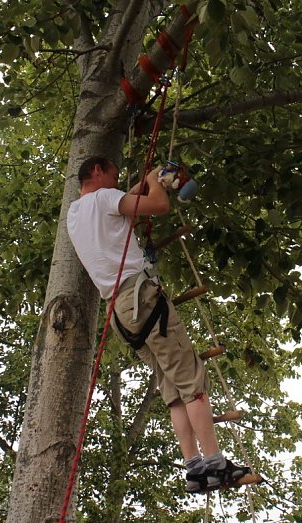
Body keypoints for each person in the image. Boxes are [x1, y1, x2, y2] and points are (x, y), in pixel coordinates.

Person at [66, 156, 250, 493]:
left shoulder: (75, 215)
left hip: (121, 312)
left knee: (172, 391)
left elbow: (125, 200)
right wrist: (155, 181)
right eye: (113, 173)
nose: (118, 179)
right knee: (191, 381)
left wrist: (150, 180)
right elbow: (158, 206)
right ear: (97, 170)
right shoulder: (106, 199)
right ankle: (217, 464)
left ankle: (194, 468)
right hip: (143, 297)